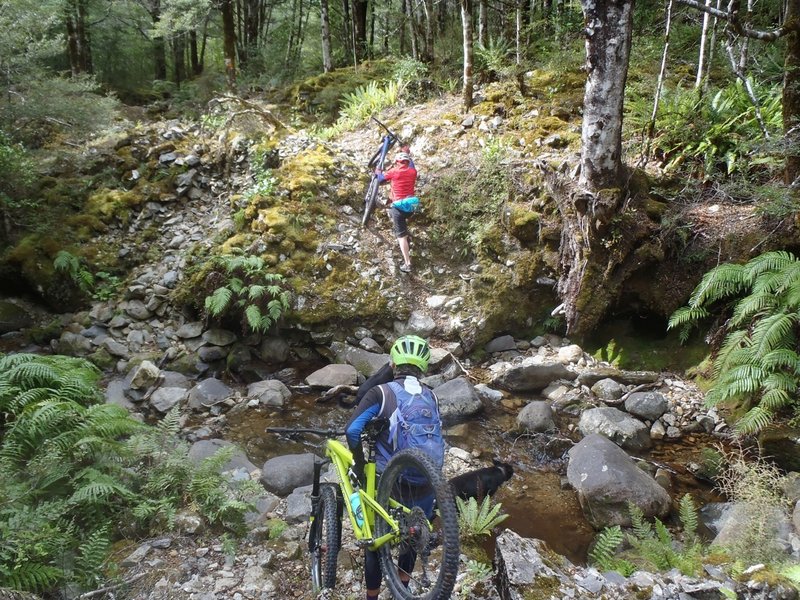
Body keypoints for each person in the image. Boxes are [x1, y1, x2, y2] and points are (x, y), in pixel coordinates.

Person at [344, 335, 443, 600]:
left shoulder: (382, 392)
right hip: (426, 480)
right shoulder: (431, 396)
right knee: (413, 532)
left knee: (376, 542)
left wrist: (359, 462)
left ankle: (373, 597)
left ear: (392, 363)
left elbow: (352, 430)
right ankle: (403, 590)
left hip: (391, 481)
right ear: (424, 367)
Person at [376, 148, 418, 273]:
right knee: (403, 218)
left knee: (401, 236)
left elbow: (380, 178)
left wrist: (378, 171)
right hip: (411, 206)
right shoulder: (413, 171)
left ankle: (407, 263)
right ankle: (406, 231)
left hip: (398, 207)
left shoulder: (394, 172)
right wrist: (408, 154)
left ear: (397, 162)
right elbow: (411, 164)